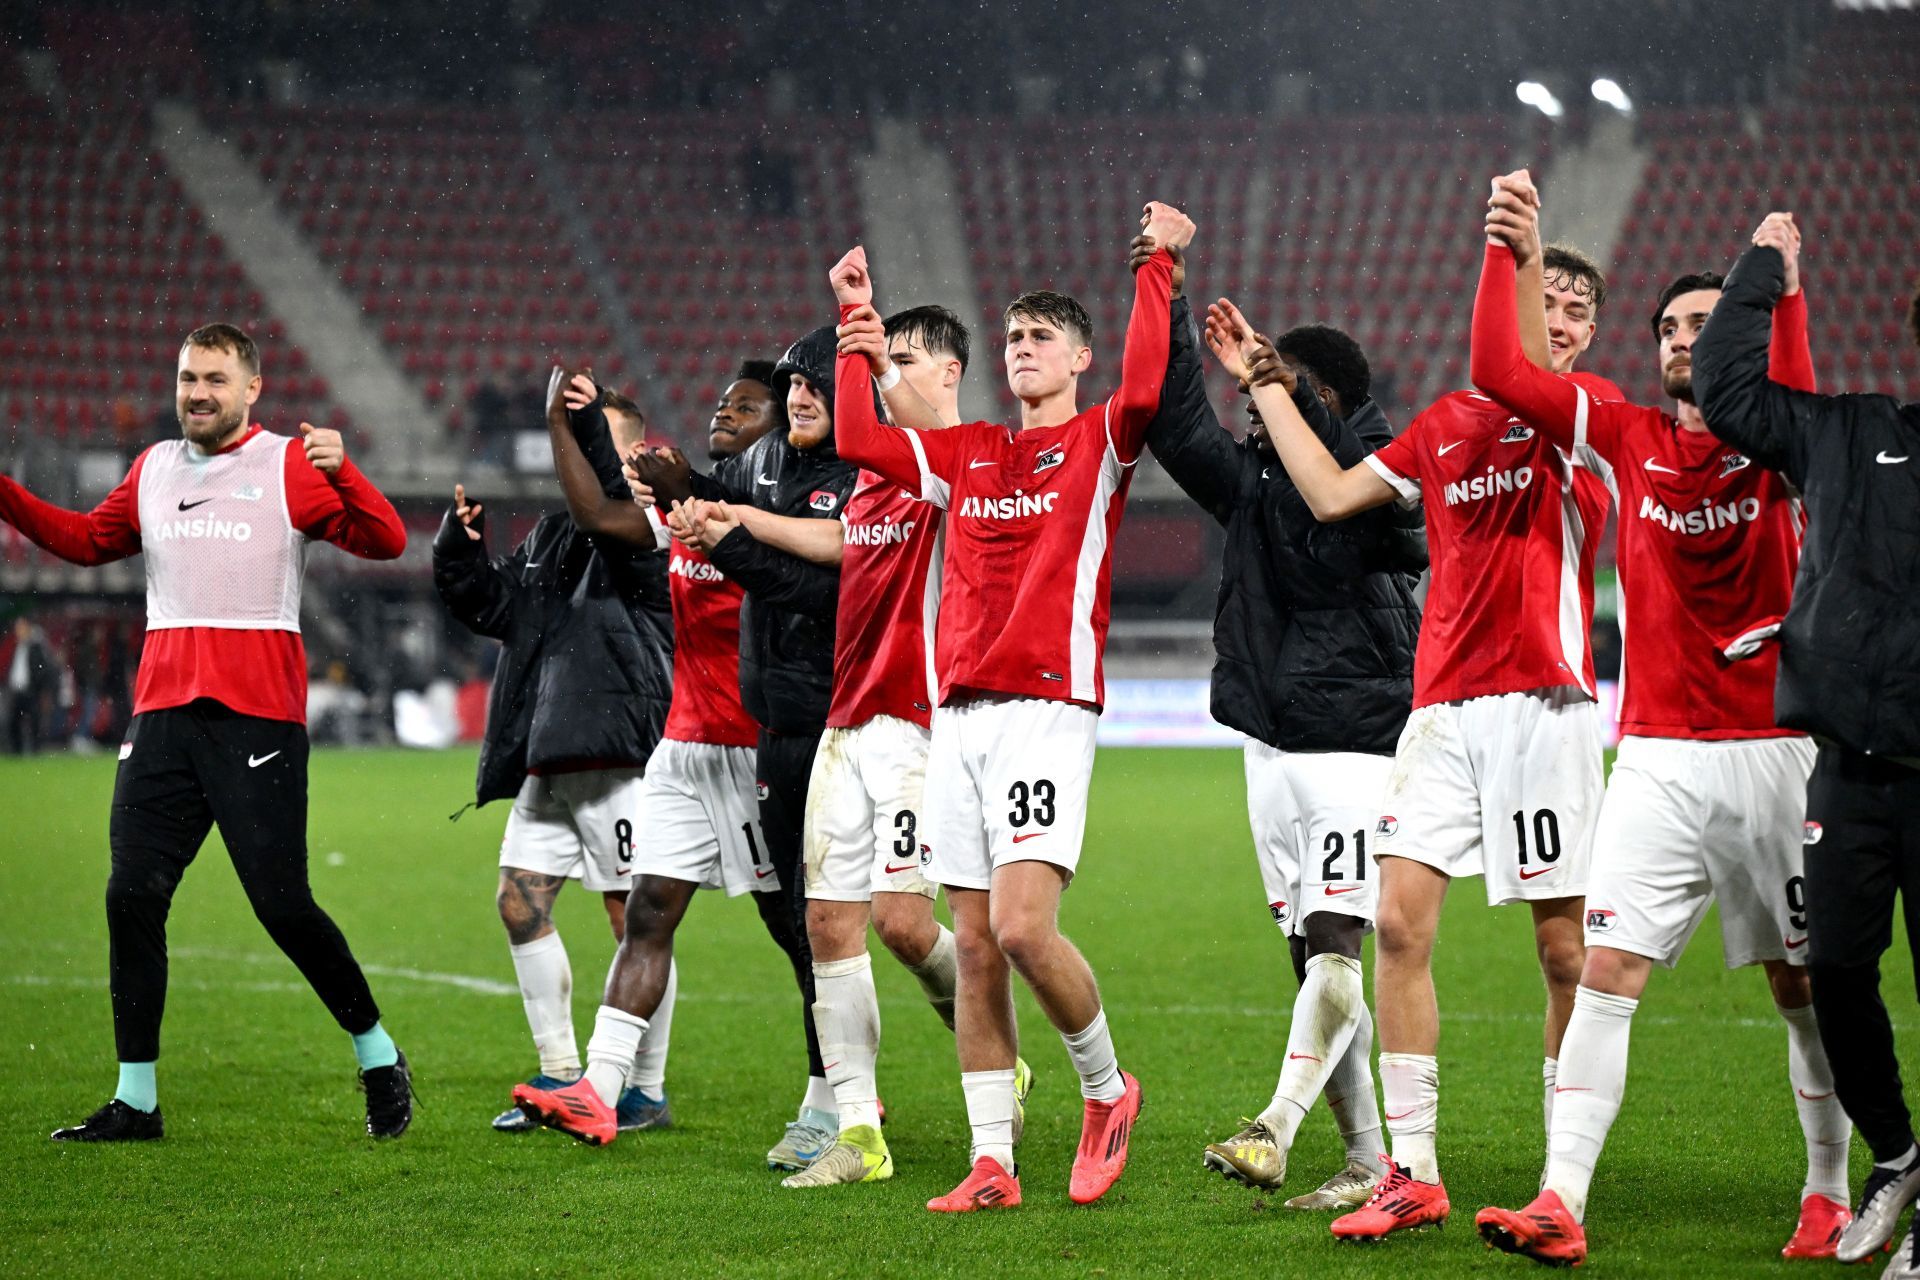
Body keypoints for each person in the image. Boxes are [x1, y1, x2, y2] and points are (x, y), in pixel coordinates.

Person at [1208, 179, 1617, 1241]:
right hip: (1438, 710)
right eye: (1549, 300)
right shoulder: (1445, 426)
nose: (1560, 321)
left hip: (1545, 701)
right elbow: (1331, 494)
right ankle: (1413, 1171)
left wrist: (1520, 253)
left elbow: (1514, 364)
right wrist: (1268, 390)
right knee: (1393, 924)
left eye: (1576, 309)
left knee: (1563, 950)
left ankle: (1560, 1173)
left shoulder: (1587, 424)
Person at [1466, 187, 1847, 1266]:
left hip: (1778, 754)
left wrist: (1784, 284)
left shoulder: (1782, 438)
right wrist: (1516, 253)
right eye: (1671, 327)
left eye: (1705, 323)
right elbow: (1502, 370)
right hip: (1660, 756)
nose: (1685, 340)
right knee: (1606, 967)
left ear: (1740, 336)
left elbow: (1799, 377)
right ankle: (1560, 1196)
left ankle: (1825, 1187)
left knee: (1801, 983)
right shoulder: (1625, 435)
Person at [823, 198, 1193, 1212]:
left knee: (1026, 929)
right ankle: (993, 1158)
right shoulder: (966, 451)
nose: (1023, 347)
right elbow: (861, 432)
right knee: (976, 945)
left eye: (1042, 337)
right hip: (961, 720)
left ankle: (1108, 1088)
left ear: (1078, 359)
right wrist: (859, 323)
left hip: (1046, 709)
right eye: (1014, 335)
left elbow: (1153, 380)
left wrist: (1156, 262)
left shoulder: (1102, 442)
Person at [0, 323, 412, 1141]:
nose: (197, 392)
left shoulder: (288, 466)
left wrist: (348, 472)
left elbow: (387, 540)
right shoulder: (152, 468)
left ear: (251, 389)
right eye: (189, 377)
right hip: (162, 718)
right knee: (131, 895)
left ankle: (376, 1052)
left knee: (283, 906)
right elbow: (86, 541)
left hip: (257, 719)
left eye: (215, 379)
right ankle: (137, 1101)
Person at [678, 306, 1035, 1189]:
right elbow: (835, 539)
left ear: (946, 373)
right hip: (845, 717)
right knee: (825, 920)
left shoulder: (958, 465)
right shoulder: (875, 476)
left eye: (903, 362)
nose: (885, 378)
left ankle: (1001, 1048)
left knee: (906, 924)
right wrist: (740, 520)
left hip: (918, 722)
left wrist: (868, 347)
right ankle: (858, 1132)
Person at [1136, 238, 1424, 1210]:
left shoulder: (1382, 463)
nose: (1258, 399)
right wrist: (1165, 290)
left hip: (1358, 727)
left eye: (1285, 384)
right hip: (1271, 734)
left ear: (1329, 398)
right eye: (1258, 383)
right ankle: (1362, 1157)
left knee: (1342, 933)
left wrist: (1269, 385)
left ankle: (1277, 1123)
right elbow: (1177, 421)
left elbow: (1348, 509)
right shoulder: (1256, 479)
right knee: (1312, 952)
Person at [516, 343, 855, 1169]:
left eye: (746, 408)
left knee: (800, 938)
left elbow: (796, 583)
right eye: (723, 404)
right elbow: (600, 512)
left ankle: (835, 1098)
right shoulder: (684, 513)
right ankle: (598, 1090)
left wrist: (690, 499)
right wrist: (573, 419)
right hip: (681, 748)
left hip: (755, 756)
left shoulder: (773, 525)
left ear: (779, 435)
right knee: (648, 913)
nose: (724, 414)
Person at [1692, 226, 1920, 1273]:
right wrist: (1761, 269)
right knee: (1833, 968)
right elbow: (1726, 389)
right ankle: (1898, 1155)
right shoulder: (1851, 430)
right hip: (1848, 766)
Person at [433, 382, 676, 1135]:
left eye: (589, 440)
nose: (573, 453)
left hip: (621, 754)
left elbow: (604, 503)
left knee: (633, 921)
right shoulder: (550, 535)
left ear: (626, 453)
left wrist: (568, 430)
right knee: (518, 904)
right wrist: (461, 555)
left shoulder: (650, 525)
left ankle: (643, 1087)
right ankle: (561, 1072)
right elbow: (502, 612)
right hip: (550, 750)